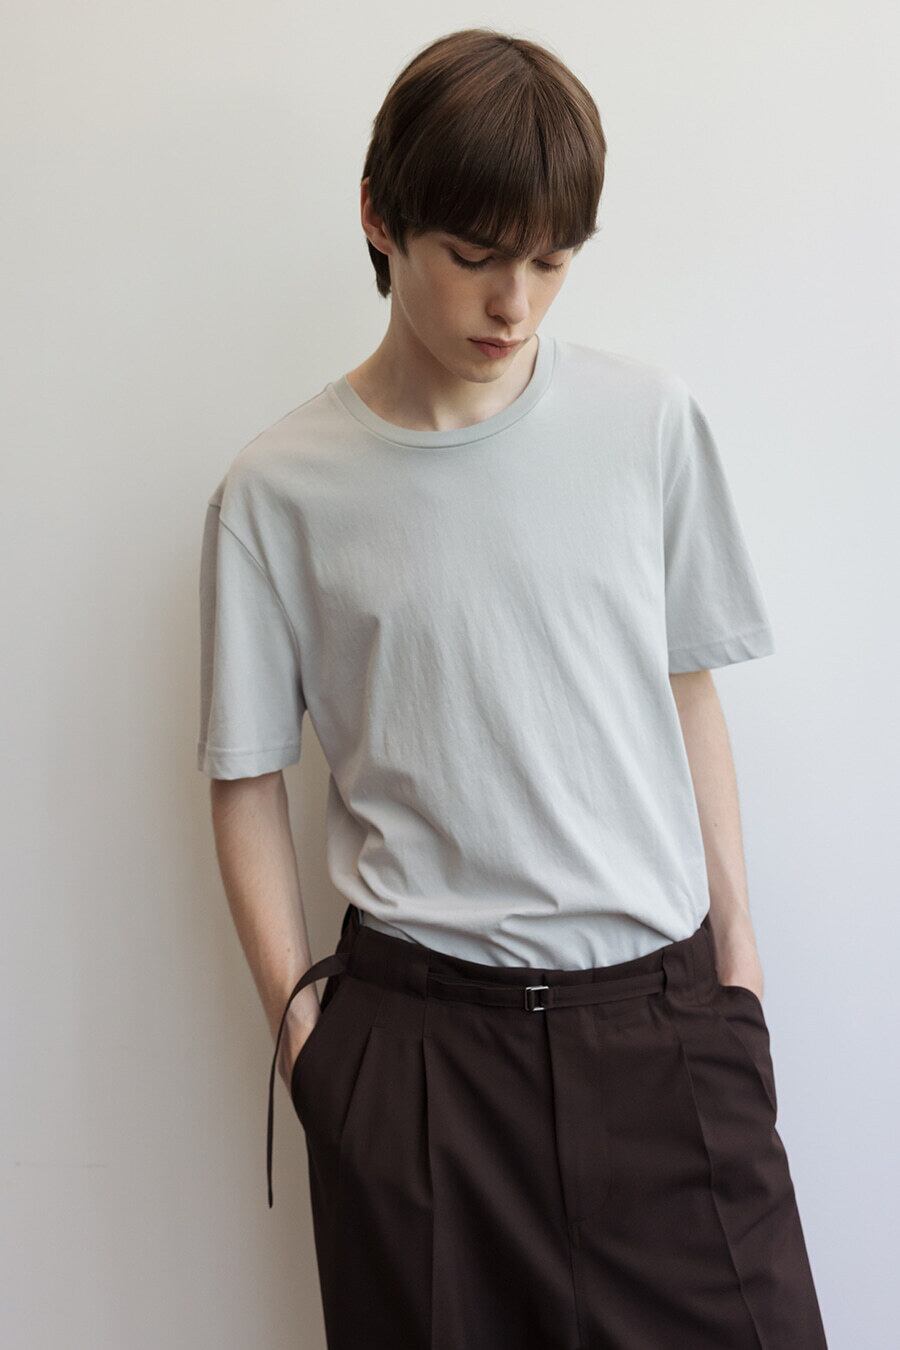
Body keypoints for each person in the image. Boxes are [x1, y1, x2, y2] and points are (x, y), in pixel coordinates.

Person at [197, 26, 828, 1349]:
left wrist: (739, 962)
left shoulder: (648, 426)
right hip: (419, 1067)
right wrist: (311, 1050)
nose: (515, 305)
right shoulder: (277, 491)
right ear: (380, 218)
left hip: (663, 1032)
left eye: (551, 261)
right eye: (476, 256)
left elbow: (688, 692)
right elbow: (244, 779)